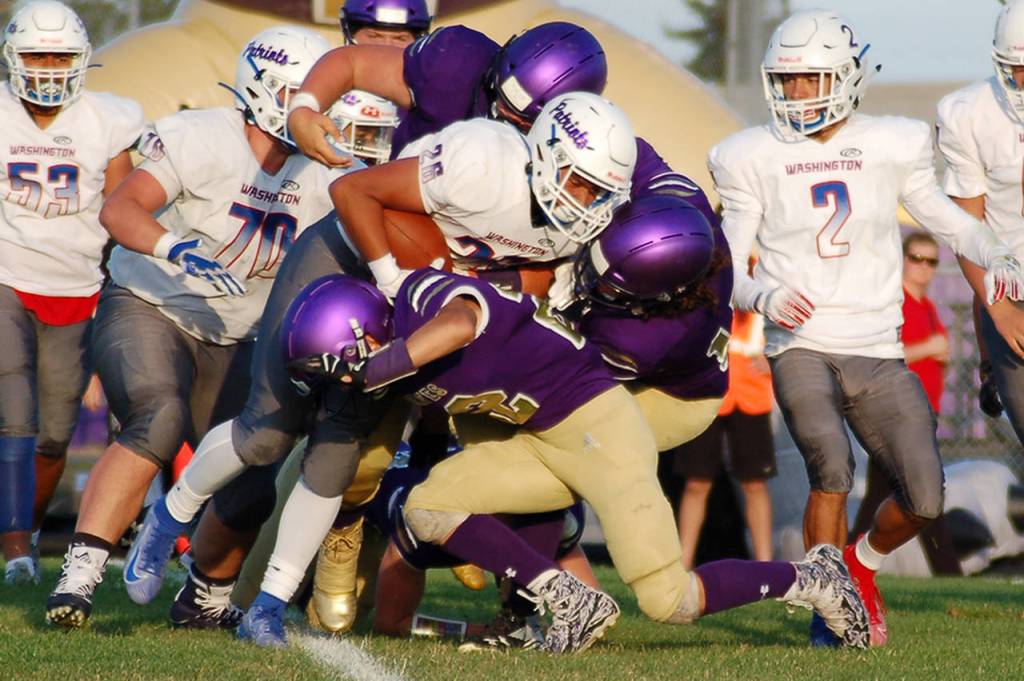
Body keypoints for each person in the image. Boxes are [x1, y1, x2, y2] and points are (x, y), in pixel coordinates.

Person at [125, 91, 635, 635]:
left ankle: (269, 607)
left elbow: (517, 290)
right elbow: (353, 191)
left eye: (600, 192)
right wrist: (391, 278)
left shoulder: (567, 230)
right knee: (267, 432)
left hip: (414, 296)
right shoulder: (484, 163)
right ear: (549, 154)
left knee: (338, 454)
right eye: (581, 183)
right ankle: (167, 517)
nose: (586, 202)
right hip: (346, 260)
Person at [279, 268, 869, 654]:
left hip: (599, 429)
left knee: (670, 602)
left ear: (358, 344)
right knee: (428, 506)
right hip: (539, 440)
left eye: (336, 372)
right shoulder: (400, 362)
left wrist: (375, 370)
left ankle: (813, 578)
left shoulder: (419, 302)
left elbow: (462, 321)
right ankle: (572, 601)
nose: (342, 388)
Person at [709, 9, 1024, 647]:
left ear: (848, 79)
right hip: (800, 344)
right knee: (830, 466)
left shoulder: (893, 141)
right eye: (787, 81)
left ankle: (860, 565)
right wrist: (762, 294)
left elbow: (943, 215)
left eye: (812, 80)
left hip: (879, 347)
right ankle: (832, 612)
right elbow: (724, 262)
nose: (797, 95)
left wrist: (994, 253)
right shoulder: (748, 155)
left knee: (926, 497)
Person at [44, 25, 351, 629]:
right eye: (304, 96)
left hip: (243, 336)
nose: (319, 113)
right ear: (267, 93)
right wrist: (177, 247)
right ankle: (79, 574)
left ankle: (205, 596)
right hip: (153, 303)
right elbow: (119, 207)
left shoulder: (327, 173)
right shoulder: (201, 136)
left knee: (254, 475)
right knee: (156, 416)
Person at [0, 0, 143, 586]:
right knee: (15, 413)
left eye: (61, 55)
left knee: (54, 434)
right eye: (38, 54)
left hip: (78, 287)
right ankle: (15, 553)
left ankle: (26, 533)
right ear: (14, 58)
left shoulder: (107, 119)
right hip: (7, 274)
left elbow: (125, 210)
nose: (50, 67)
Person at [936, 0, 1024, 445]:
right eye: (1017, 67)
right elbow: (967, 229)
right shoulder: (970, 112)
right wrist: (1000, 311)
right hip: (1012, 293)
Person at [850, 232, 962, 576]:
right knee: (924, 493)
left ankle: (846, 565)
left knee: (892, 494)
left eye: (931, 261)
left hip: (922, 411)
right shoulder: (897, 303)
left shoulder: (927, 306)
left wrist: (937, 352)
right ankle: (949, 573)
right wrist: (930, 348)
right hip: (900, 412)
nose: (924, 268)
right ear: (904, 258)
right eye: (917, 258)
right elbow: (886, 355)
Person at [674, 259, 776, 569]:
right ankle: (682, 566)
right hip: (709, 389)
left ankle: (764, 564)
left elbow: (790, 321)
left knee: (755, 482)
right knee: (697, 482)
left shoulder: (768, 268)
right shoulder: (707, 267)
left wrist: (773, 358)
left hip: (752, 393)